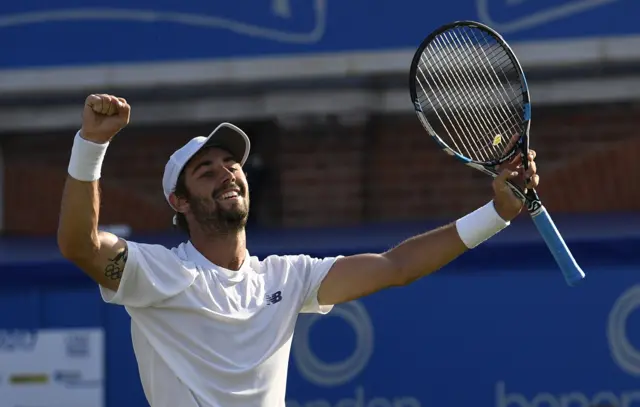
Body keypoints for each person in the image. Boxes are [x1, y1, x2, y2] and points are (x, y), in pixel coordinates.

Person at [57, 94, 539, 407]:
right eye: (207, 171)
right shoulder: (157, 271)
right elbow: (79, 245)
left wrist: (495, 214)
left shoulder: (286, 278)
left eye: (232, 163)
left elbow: (396, 267)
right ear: (179, 203)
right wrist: (91, 146)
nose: (228, 172)